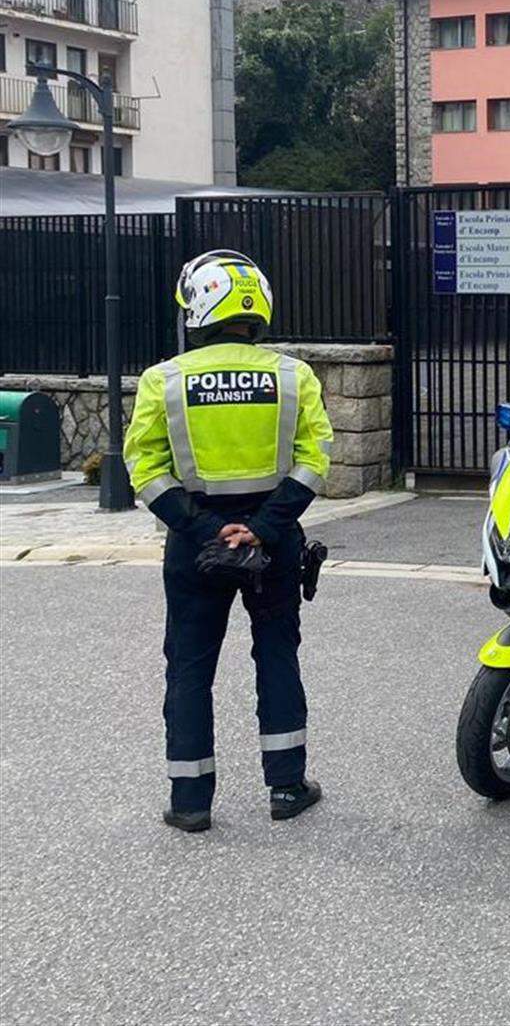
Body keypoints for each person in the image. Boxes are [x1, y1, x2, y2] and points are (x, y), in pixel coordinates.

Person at [124, 250, 333, 833]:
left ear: (198, 306)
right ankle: (288, 788)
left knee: (189, 666)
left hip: (195, 540)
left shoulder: (163, 381)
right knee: (276, 655)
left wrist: (204, 529)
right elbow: (315, 461)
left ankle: (191, 801)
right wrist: (261, 529)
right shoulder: (294, 376)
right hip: (274, 537)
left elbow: (145, 469)